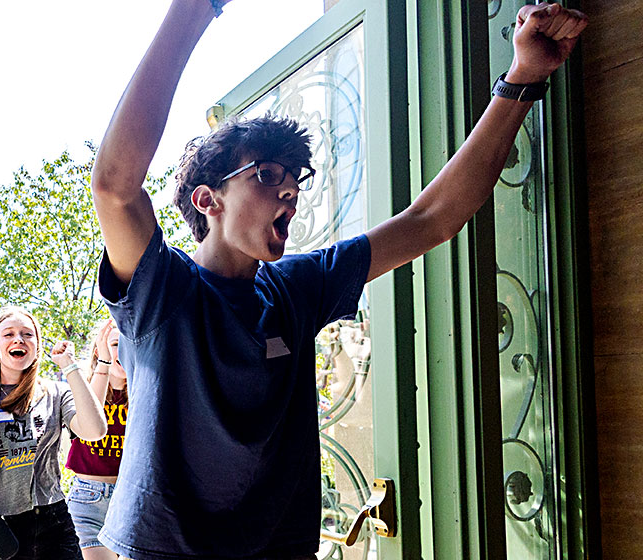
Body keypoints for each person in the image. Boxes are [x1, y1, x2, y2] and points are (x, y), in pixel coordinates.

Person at [88, 1, 587, 558]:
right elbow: (113, 185)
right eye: (268, 175)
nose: (291, 191)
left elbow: (432, 219)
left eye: (295, 179)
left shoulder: (296, 289)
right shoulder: (163, 291)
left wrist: (522, 78)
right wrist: (196, 9)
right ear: (209, 200)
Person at [0, 307, 107, 560]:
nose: (18, 339)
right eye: (8, 334)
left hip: (53, 520)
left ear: (37, 346)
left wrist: (70, 366)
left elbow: (95, 431)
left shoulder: (56, 392)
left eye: (27, 334)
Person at [65, 319, 128, 560]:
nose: (121, 350)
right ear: (99, 350)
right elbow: (90, 415)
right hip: (87, 500)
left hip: (129, 497)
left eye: (127, 343)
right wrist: (104, 362)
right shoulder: (85, 388)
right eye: (114, 344)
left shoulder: (144, 389)